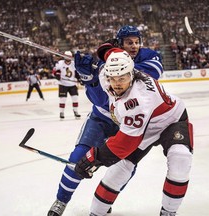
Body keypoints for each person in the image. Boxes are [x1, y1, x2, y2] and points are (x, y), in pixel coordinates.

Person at [48, 25, 163, 216]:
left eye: (137, 42)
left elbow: (148, 76)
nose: (134, 46)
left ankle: (104, 200)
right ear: (120, 43)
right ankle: (60, 201)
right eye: (129, 42)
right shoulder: (103, 61)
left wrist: (105, 67)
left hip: (130, 122)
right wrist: (89, 78)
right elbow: (101, 99)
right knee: (77, 158)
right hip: (101, 118)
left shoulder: (149, 57)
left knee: (124, 169)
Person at [74, 49, 194, 216]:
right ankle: (96, 213)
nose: (116, 84)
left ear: (132, 75)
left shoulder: (137, 100)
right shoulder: (107, 74)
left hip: (170, 120)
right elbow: (114, 53)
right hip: (143, 126)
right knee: (119, 170)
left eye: (122, 78)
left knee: (180, 158)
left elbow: (125, 143)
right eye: (113, 78)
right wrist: (103, 52)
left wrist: (93, 158)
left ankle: (168, 212)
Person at [52, 51, 81, 120]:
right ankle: (61, 113)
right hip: (63, 84)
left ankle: (75, 111)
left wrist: (79, 78)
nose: (68, 58)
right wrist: (57, 75)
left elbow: (77, 72)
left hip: (72, 84)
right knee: (63, 99)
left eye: (69, 57)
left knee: (75, 98)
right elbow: (54, 71)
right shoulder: (60, 63)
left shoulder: (74, 63)